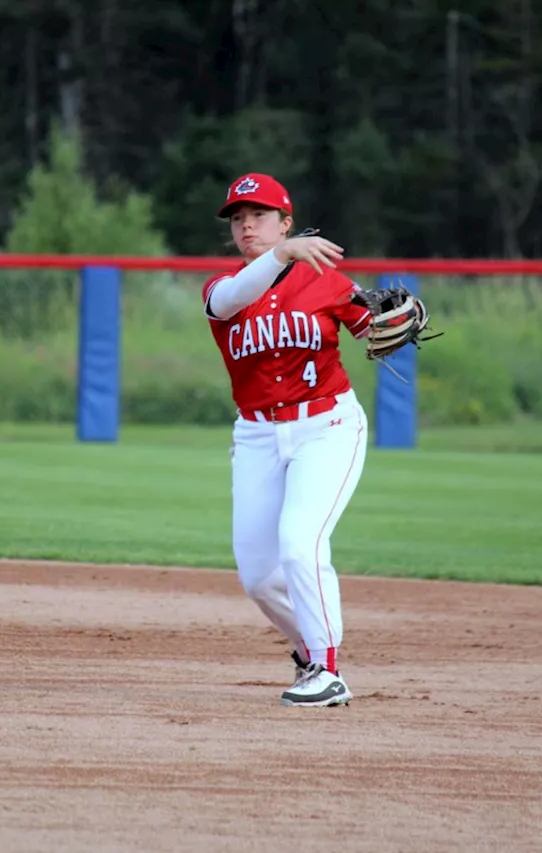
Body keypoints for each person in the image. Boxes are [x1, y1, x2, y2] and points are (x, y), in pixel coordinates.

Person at [202, 172, 374, 708]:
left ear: (286, 223)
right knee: (258, 576)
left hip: (327, 427)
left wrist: (386, 323)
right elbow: (233, 298)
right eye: (237, 217)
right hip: (256, 434)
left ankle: (328, 669)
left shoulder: (328, 281)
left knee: (301, 543)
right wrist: (283, 257)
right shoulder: (221, 289)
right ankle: (308, 650)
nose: (246, 225)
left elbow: (375, 328)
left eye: (258, 215)